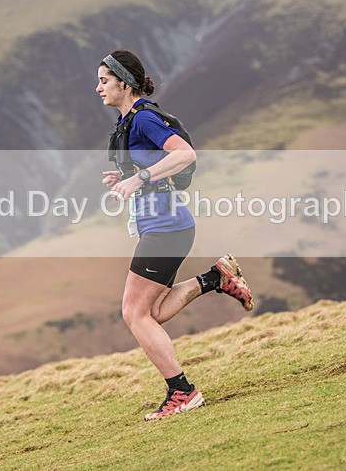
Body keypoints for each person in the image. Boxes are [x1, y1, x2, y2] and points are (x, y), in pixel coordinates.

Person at [97, 49, 254, 421]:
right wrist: (125, 177)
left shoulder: (144, 118)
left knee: (133, 313)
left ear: (124, 83)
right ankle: (215, 278)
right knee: (154, 311)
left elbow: (185, 154)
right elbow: (153, 163)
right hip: (163, 225)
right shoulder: (130, 121)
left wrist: (139, 178)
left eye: (104, 81)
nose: (98, 88)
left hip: (166, 227)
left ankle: (183, 392)